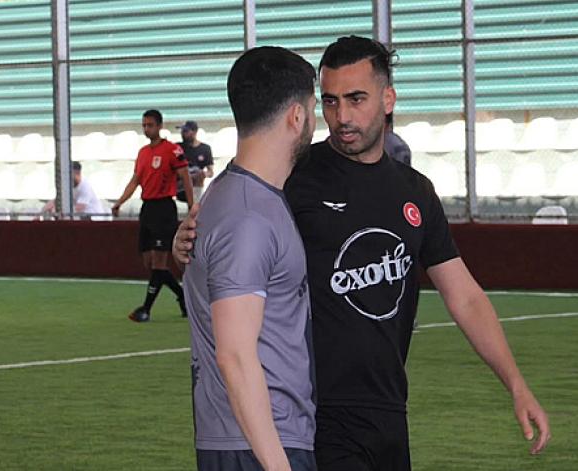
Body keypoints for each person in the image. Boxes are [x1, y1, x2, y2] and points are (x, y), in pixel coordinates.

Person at [175, 36, 550, 471]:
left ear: (388, 99)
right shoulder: (293, 175)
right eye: (330, 101)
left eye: (356, 99)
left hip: (389, 410)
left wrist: (516, 383)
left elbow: (464, 296)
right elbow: (237, 221)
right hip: (317, 417)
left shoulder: (415, 191)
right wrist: (188, 239)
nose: (342, 117)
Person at [185, 46, 318, 471]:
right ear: (296, 116)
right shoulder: (248, 216)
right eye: (315, 108)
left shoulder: (236, 197)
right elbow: (236, 356)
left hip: (256, 440)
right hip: (260, 445)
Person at [112, 109, 194, 322]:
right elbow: (135, 180)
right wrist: (120, 201)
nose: (146, 129)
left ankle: (146, 309)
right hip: (147, 208)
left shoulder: (172, 150)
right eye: (144, 125)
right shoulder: (143, 153)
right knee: (150, 263)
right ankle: (183, 296)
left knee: (159, 262)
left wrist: (192, 206)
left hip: (164, 208)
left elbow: (185, 177)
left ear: (159, 126)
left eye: (150, 125)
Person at [40, 161, 105, 218]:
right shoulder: (68, 186)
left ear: (78, 174)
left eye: (70, 174)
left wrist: (57, 211)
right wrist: (41, 213)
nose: (68, 177)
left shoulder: (85, 186)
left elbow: (79, 208)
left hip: (94, 218)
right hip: (79, 218)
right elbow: (56, 201)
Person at [176, 120, 215, 203]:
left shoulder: (205, 148)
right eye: (182, 131)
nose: (182, 134)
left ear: (194, 132)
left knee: (198, 174)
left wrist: (203, 174)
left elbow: (210, 172)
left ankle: (196, 203)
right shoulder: (177, 147)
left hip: (196, 183)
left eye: (186, 131)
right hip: (180, 184)